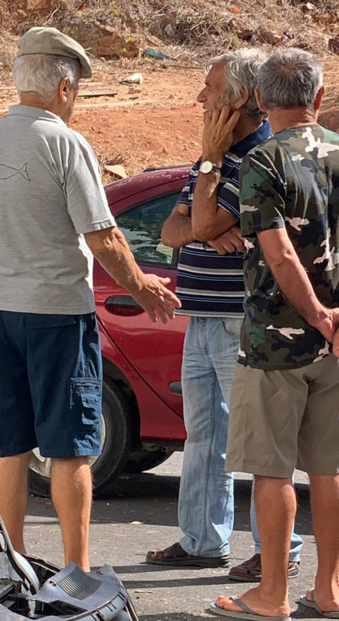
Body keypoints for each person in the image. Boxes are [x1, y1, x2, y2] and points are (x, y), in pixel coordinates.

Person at [0, 27, 180, 572]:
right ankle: (76, 570)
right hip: (55, 312)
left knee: (10, 441)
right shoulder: (65, 143)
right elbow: (104, 235)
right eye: (76, 89)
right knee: (71, 444)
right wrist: (142, 287)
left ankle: (11, 560)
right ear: (63, 85)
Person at [148, 49, 303, 582]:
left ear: (240, 98)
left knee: (258, 439)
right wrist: (202, 223)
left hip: (244, 319)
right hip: (202, 317)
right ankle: (202, 540)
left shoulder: (258, 156)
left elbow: (205, 217)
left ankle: (277, 551)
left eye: (210, 88)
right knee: (204, 436)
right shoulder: (210, 159)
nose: (200, 98)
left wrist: (204, 207)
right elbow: (172, 231)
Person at [210, 48, 339, 621]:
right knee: (329, 468)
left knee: (272, 469)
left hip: (274, 342)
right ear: (317, 98)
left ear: (261, 100)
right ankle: (328, 590)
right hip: (335, 341)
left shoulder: (264, 160)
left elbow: (278, 251)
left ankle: (272, 595)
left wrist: (314, 313)